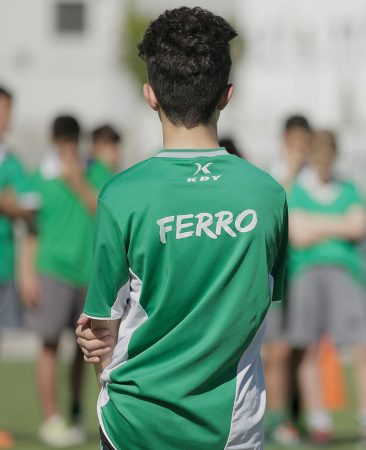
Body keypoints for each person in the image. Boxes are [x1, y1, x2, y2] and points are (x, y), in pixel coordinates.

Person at [74, 7, 288, 449]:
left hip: (133, 426)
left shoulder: (120, 195)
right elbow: (259, 302)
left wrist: (101, 353)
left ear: (150, 95)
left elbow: (101, 332)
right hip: (231, 429)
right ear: (226, 95)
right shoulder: (267, 195)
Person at [286, 130, 366, 446]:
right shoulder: (298, 190)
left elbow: (358, 227)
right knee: (309, 348)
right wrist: (338, 225)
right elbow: (297, 234)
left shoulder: (349, 188)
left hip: (345, 274)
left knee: (361, 346)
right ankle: (319, 422)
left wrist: (315, 224)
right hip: (307, 274)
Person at [19, 114, 98, 448]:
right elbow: (31, 230)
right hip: (51, 271)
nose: (67, 150)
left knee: (86, 350)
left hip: (89, 274)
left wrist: (78, 181)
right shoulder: (38, 178)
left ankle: (77, 413)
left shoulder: (95, 171)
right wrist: (26, 274)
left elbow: (103, 212)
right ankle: (52, 420)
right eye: (62, 144)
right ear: (54, 142)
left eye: (72, 143)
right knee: (49, 345)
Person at [262, 114, 313, 445]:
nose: (301, 148)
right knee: (277, 349)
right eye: (295, 142)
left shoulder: (316, 175)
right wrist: (291, 171)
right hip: (279, 274)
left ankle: (296, 415)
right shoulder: (274, 175)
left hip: (306, 274)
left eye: (304, 142)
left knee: (299, 349)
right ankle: (276, 419)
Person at [0, 85, 38, 450]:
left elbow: (29, 206)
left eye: (9, 110)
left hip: (3, 264)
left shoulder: (11, 160)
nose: (6, 118)